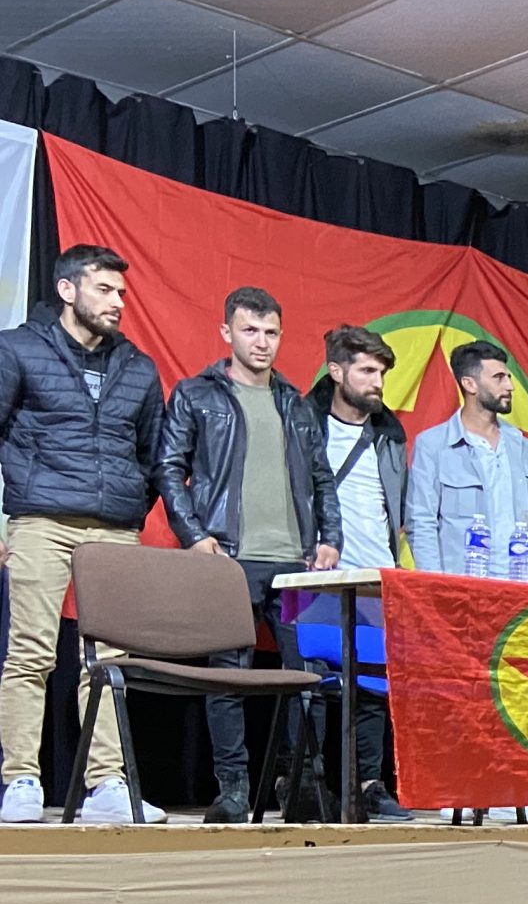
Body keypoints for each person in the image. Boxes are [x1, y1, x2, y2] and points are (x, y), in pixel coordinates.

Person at [155, 285, 340, 823]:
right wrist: (195, 536)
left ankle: (301, 785)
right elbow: (168, 467)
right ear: (227, 333)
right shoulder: (197, 394)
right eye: (250, 330)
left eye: (271, 332)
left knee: (310, 676)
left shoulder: (296, 403)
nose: (262, 341)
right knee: (227, 677)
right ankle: (233, 790)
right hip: (229, 559)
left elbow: (322, 479)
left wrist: (330, 539)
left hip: (296, 564)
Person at [0, 244, 166, 825]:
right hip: (41, 521)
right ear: (67, 290)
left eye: (121, 292)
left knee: (110, 662)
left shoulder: (139, 367)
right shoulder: (17, 349)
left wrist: (125, 507)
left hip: (114, 530)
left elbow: (152, 456)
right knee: (30, 653)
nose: (118, 301)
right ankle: (21, 778)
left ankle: (107, 785)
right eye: (104, 289)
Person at [306, 324, 411, 822]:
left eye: (381, 373)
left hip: (376, 575)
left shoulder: (389, 433)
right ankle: (308, 784)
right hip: (317, 576)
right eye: (367, 371)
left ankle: (369, 784)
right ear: (336, 371)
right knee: (312, 684)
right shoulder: (304, 422)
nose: (377, 382)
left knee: (372, 687)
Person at [404, 340, 528, 575]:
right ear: (469, 384)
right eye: (499, 378)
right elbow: (421, 522)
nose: (510, 386)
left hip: (522, 583)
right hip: (464, 585)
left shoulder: (522, 446)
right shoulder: (433, 445)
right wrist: (434, 585)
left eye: (508, 377)